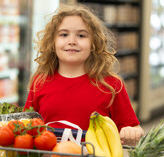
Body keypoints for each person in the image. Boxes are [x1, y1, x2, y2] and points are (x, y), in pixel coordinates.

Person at [24, 3, 144, 146]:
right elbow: (27, 125)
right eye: (64, 34)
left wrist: (132, 131)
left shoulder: (111, 85)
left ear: (94, 43)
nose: (72, 41)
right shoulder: (40, 82)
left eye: (81, 35)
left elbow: (133, 127)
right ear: (52, 42)